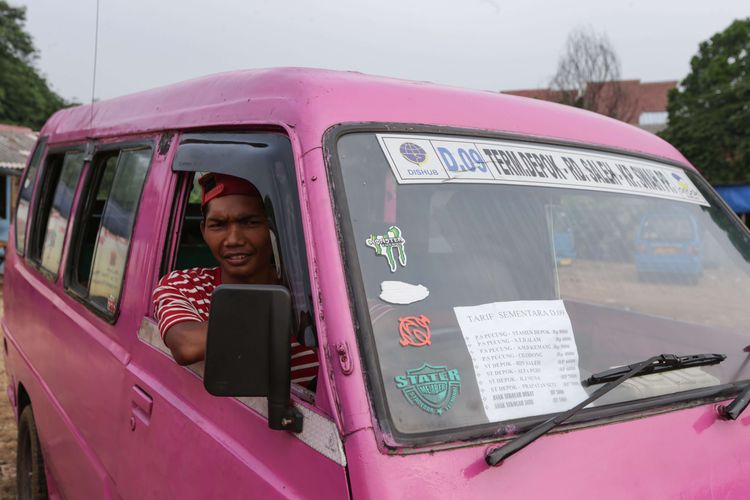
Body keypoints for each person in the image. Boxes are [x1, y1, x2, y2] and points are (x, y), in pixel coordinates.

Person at [152, 172, 318, 387]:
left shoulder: (310, 287)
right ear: (203, 231)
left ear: (274, 227)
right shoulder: (186, 285)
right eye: (218, 225)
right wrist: (281, 314)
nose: (233, 240)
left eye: (249, 222)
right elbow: (186, 345)